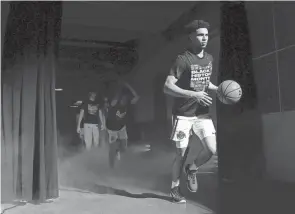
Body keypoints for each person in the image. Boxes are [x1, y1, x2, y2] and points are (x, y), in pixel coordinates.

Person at [163, 20, 218, 203]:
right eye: (200, 35)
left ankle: (192, 168)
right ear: (191, 37)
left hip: (202, 113)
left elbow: (204, 82)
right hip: (183, 115)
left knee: (211, 149)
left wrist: (218, 89)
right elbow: (167, 86)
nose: (204, 38)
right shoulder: (183, 59)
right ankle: (174, 189)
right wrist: (193, 94)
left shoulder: (209, 58)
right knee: (181, 154)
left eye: (206, 35)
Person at [106, 80, 139, 168]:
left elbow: (136, 97)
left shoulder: (128, 103)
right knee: (112, 147)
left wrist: (129, 86)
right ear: (120, 99)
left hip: (121, 127)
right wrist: (120, 88)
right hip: (112, 128)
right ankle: (111, 165)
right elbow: (116, 97)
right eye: (123, 99)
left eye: (126, 99)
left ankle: (118, 151)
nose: (124, 101)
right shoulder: (114, 104)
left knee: (124, 147)